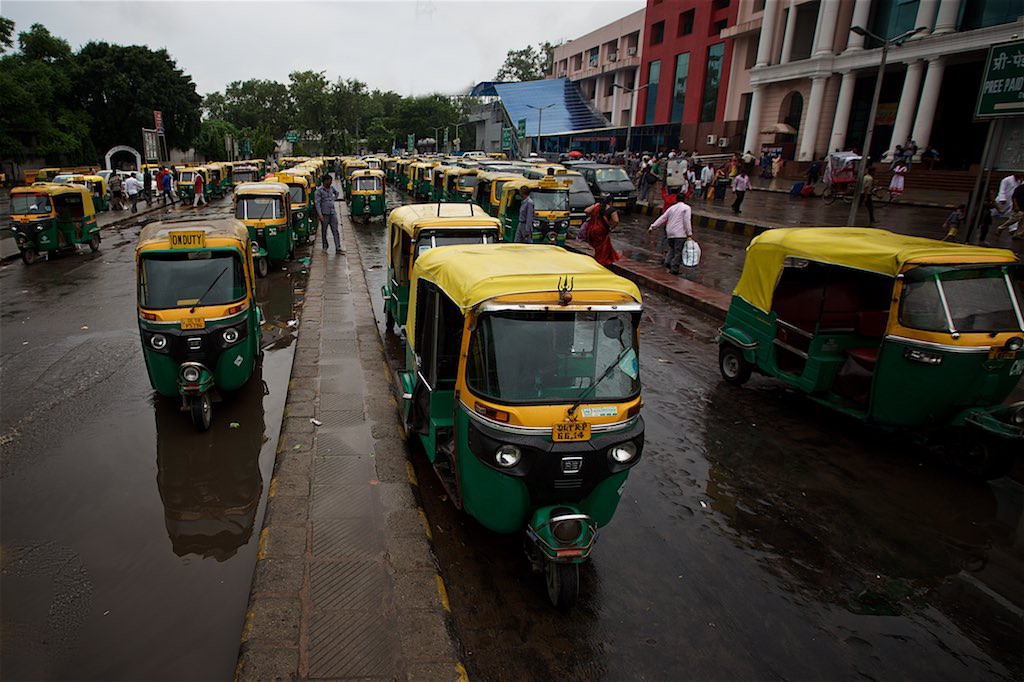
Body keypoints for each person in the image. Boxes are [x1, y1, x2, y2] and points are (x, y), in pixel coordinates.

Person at [648, 192, 694, 275]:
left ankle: (667, 262)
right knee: (678, 251)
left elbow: (662, 218)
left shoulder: (671, 208)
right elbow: (687, 221)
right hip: (680, 234)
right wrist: (689, 232)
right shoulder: (686, 208)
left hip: (670, 232)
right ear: (684, 199)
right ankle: (675, 269)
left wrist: (652, 227)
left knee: (672, 249)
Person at [583, 195, 620, 266]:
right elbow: (616, 221)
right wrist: (612, 227)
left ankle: (597, 258)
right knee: (603, 247)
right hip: (602, 230)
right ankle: (601, 261)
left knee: (596, 246)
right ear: (611, 202)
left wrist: (595, 206)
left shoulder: (597, 206)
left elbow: (586, 210)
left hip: (592, 229)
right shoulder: (612, 210)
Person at [315, 174, 342, 253]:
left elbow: (337, 193)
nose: (331, 183)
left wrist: (333, 199)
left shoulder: (331, 188)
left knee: (335, 230)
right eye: (329, 181)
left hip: (332, 213)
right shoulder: (319, 191)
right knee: (324, 231)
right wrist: (320, 214)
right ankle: (325, 246)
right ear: (325, 181)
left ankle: (338, 247)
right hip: (324, 214)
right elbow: (317, 203)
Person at [994, 171, 1023, 238]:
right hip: (1006, 200)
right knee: (1014, 218)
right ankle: (1001, 227)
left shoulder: (1020, 182)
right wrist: (1002, 198)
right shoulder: (1006, 180)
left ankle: (1015, 231)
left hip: (1016, 202)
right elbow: (1002, 190)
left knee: (1018, 219)